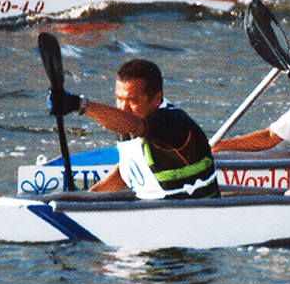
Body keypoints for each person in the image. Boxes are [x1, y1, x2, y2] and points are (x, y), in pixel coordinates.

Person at [49, 58, 220, 199]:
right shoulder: (127, 122)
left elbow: (132, 124)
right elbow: (127, 170)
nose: (123, 108)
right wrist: (89, 197)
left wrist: (78, 104)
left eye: (132, 100)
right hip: (159, 214)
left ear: (157, 98)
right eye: (119, 98)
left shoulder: (174, 123)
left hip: (197, 217)